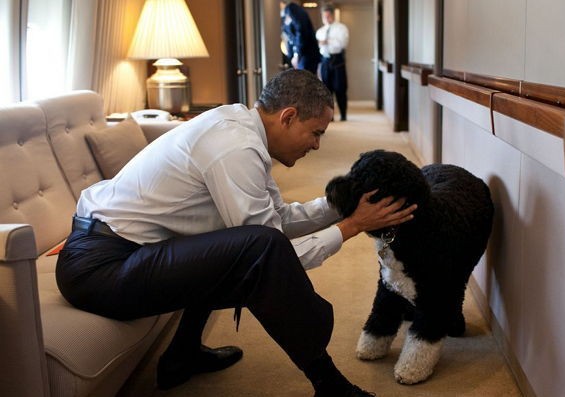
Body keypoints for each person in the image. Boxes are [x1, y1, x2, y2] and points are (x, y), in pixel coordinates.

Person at [55, 69, 416, 396]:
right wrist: (353, 226)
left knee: (234, 243)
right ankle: (331, 387)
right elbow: (267, 249)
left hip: (115, 251)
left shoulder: (242, 131)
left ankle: (182, 355)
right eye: (316, 133)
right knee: (256, 252)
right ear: (288, 117)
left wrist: (340, 205)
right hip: (101, 271)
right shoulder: (236, 146)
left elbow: (275, 219)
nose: (317, 145)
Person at [316, 2, 349, 121]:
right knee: (326, 90)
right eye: (324, 17)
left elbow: (342, 44)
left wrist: (328, 41)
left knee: (340, 88)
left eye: (328, 16)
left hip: (337, 60)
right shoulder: (319, 31)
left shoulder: (341, 28)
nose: (326, 19)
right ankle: (330, 116)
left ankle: (343, 114)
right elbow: (319, 47)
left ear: (333, 15)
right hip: (325, 61)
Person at [282, 0, 321, 72]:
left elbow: (301, 31)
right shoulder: (285, 14)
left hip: (306, 55)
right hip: (301, 55)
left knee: (304, 80)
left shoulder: (292, 9)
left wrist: (297, 55)